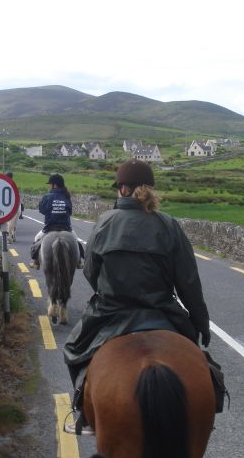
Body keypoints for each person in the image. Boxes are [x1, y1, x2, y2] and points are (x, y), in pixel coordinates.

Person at [62, 159, 211, 435]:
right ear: (149, 190)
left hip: (110, 312)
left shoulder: (105, 222)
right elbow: (189, 282)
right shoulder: (168, 225)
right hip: (163, 312)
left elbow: (91, 272)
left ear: (122, 190)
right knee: (202, 364)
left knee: (72, 349)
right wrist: (201, 323)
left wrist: (110, 290)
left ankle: (84, 412)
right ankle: (204, 417)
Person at [29, 173, 85, 270]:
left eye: (50, 184)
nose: (50, 186)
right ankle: (79, 261)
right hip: (66, 228)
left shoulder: (47, 196)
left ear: (55, 185)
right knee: (76, 241)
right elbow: (70, 212)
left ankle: (36, 262)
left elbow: (42, 210)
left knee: (37, 238)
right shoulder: (67, 196)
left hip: (50, 228)